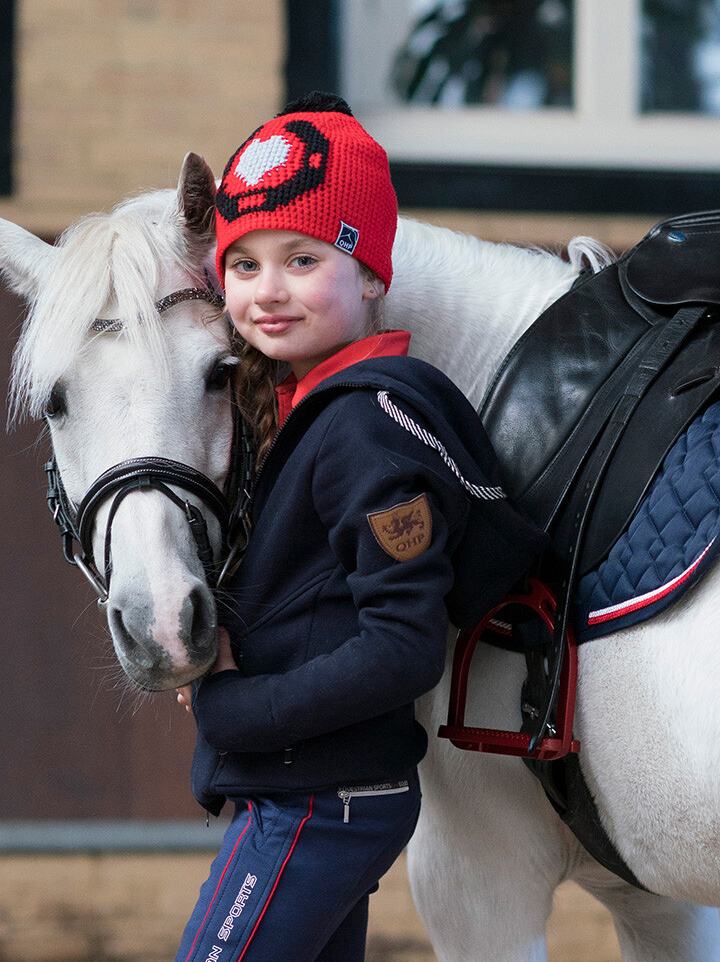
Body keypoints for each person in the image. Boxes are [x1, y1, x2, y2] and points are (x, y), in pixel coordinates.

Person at [173, 93, 544, 962]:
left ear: (372, 272)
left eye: (303, 259)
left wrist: (233, 706)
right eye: (245, 264)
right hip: (315, 789)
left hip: (324, 801)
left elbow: (402, 647)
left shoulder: (369, 429)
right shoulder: (309, 412)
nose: (267, 292)